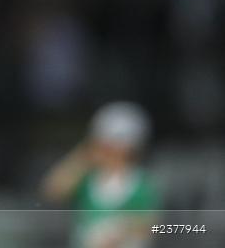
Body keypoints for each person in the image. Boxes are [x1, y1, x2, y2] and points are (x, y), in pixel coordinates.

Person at [41, 101, 161, 248]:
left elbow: (151, 225)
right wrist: (85, 156)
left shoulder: (142, 184)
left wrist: (119, 231)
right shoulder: (87, 179)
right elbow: (53, 191)